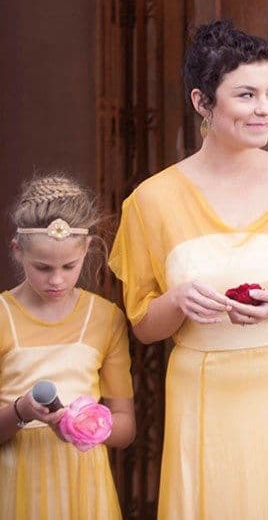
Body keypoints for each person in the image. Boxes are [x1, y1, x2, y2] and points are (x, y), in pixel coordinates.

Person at [109, 21, 268, 519]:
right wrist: (177, 300)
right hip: (202, 390)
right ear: (202, 102)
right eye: (246, 95)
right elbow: (143, 326)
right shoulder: (152, 201)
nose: (265, 108)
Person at [0, 174, 135, 519]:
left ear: (87, 249)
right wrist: (21, 412)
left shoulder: (105, 318)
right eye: (42, 267)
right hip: (14, 484)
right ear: (17, 251)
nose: (56, 280)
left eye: (68, 266)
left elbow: (126, 428)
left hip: (85, 488)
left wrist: (85, 423)